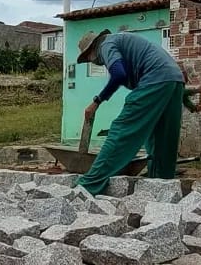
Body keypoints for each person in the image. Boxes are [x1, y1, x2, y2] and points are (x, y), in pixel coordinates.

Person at [75, 29, 185, 196]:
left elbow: (119, 74)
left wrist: (97, 101)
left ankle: (87, 186)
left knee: (122, 130)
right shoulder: (120, 41)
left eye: (88, 58)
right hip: (175, 80)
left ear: (92, 49)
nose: (92, 62)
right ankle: (162, 189)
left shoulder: (106, 45)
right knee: (162, 139)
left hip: (154, 78)